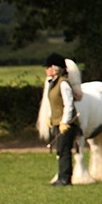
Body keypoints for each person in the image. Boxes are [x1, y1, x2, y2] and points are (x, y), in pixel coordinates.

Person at [43, 53, 79, 187]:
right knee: (60, 150)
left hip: (65, 123)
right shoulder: (52, 83)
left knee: (64, 150)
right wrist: (50, 117)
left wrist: (65, 122)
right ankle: (61, 176)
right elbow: (53, 103)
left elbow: (69, 104)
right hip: (57, 122)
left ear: (54, 68)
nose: (46, 70)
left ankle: (65, 179)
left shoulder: (63, 84)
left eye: (48, 67)